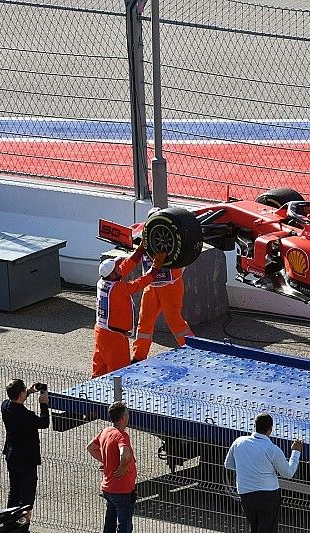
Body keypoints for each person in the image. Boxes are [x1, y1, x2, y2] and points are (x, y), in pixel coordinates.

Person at [92, 244, 166, 377]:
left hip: (101, 332)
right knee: (121, 374)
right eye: (116, 268)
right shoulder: (118, 289)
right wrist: (155, 268)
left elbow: (126, 266)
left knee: (99, 372)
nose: (119, 268)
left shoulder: (103, 282)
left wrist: (140, 250)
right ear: (113, 274)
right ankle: (119, 397)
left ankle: (86, 395)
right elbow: (140, 283)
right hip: (114, 337)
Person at [132, 208, 193, 364]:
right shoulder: (143, 234)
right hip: (151, 286)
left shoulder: (173, 236)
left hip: (170, 286)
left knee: (175, 322)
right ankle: (138, 357)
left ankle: (193, 352)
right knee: (144, 323)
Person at [224, 413, 304, 533]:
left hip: (246, 496)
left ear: (254, 425)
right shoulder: (272, 449)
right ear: (270, 429)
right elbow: (288, 473)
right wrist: (296, 452)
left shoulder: (238, 442)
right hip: (268, 496)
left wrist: (248, 468)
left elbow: (228, 464)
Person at [87, 401, 137, 533]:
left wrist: (108, 461)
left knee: (109, 523)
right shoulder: (122, 436)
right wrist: (122, 467)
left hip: (108, 488)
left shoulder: (105, 431)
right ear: (123, 418)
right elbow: (125, 455)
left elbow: (91, 448)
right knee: (124, 526)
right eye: (127, 413)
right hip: (122, 490)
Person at [1, 379, 49, 512]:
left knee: (14, 491)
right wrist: (43, 404)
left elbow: (15, 401)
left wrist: (27, 392)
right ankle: (22, 526)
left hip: (12, 456)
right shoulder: (27, 416)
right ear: (20, 394)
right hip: (26, 460)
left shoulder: (5, 406)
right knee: (27, 497)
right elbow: (44, 423)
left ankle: (9, 523)